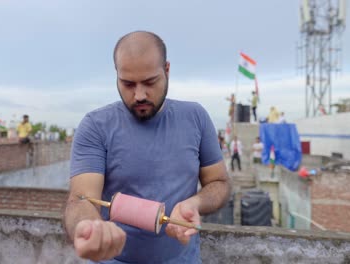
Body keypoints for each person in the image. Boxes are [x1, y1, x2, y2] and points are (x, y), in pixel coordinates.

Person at [64, 31, 230, 263]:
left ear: (167, 70)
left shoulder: (196, 117)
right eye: (128, 84)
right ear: (117, 75)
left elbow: (219, 183)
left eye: (150, 82)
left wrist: (195, 203)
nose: (139, 95)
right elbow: (81, 199)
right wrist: (88, 226)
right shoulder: (95, 126)